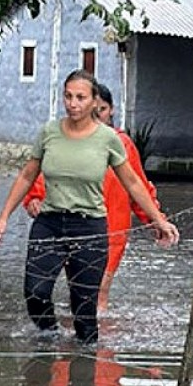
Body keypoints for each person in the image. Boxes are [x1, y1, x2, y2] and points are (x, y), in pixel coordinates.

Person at [0, 70, 179, 344]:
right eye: (68, 96)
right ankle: (49, 341)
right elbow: (29, 176)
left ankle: (87, 363)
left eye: (80, 97)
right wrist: (4, 217)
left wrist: (157, 220)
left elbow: (134, 183)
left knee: (85, 308)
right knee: (35, 292)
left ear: (94, 102)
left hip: (91, 227)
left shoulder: (111, 140)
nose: (73, 104)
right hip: (50, 223)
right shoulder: (49, 133)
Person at [22, 82, 161, 311]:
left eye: (102, 110)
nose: (97, 115)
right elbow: (49, 176)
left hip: (112, 231)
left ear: (111, 110)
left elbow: (138, 186)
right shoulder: (67, 139)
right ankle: (75, 332)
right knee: (79, 291)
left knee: (97, 292)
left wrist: (155, 220)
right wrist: (34, 199)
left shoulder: (121, 144)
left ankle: (96, 333)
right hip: (72, 228)